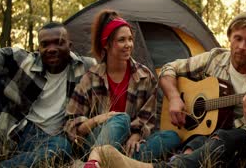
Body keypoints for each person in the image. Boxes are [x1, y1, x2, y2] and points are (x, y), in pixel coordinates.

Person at [83, 11, 246, 167]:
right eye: (238, 38)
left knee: (230, 136)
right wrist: (174, 98)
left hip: (241, 146)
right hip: (207, 138)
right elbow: (169, 69)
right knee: (196, 140)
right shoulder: (214, 58)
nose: (242, 46)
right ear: (230, 38)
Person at [65, 10, 179, 163]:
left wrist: (136, 135)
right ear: (106, 44)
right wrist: (99, 119)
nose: (129, 45)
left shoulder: (144, 76)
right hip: (96, 142)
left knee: (172, 137)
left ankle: (109, 162)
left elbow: (148, 119)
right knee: (121, 119)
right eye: (122, 40)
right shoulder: (90, 78)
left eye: (130, 39)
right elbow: (72, 126)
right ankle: (98, 159)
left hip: (129, 146)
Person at [0, 22, 96, 167]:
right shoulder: (24, 60)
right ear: (38, 48)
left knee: (62, 147)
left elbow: (117, 65)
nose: (52, 49)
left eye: (59, 43)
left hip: (55, 137)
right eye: (45, 44)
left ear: (70, 46)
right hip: (21, 131)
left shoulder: (85, 67)